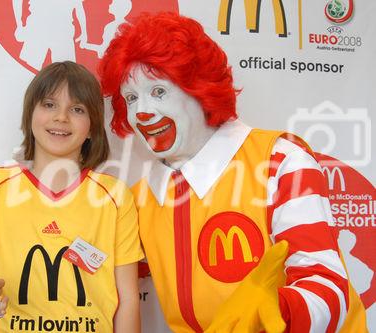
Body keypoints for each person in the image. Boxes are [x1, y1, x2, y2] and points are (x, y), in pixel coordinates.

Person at [98, 12, 367, 333]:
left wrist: (282, 310)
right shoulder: (142, 198)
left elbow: (329, 285)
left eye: (158, 91)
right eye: (131, 97)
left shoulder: (280, 161)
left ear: (198, 87)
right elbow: (110, 269)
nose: (141, 111)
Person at [0, 61, 144, 333]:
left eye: (77, 109)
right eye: (49, 104)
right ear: (30, 114)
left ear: (92, 126)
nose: (61, 117)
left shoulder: (114, 196)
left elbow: (129, 299)